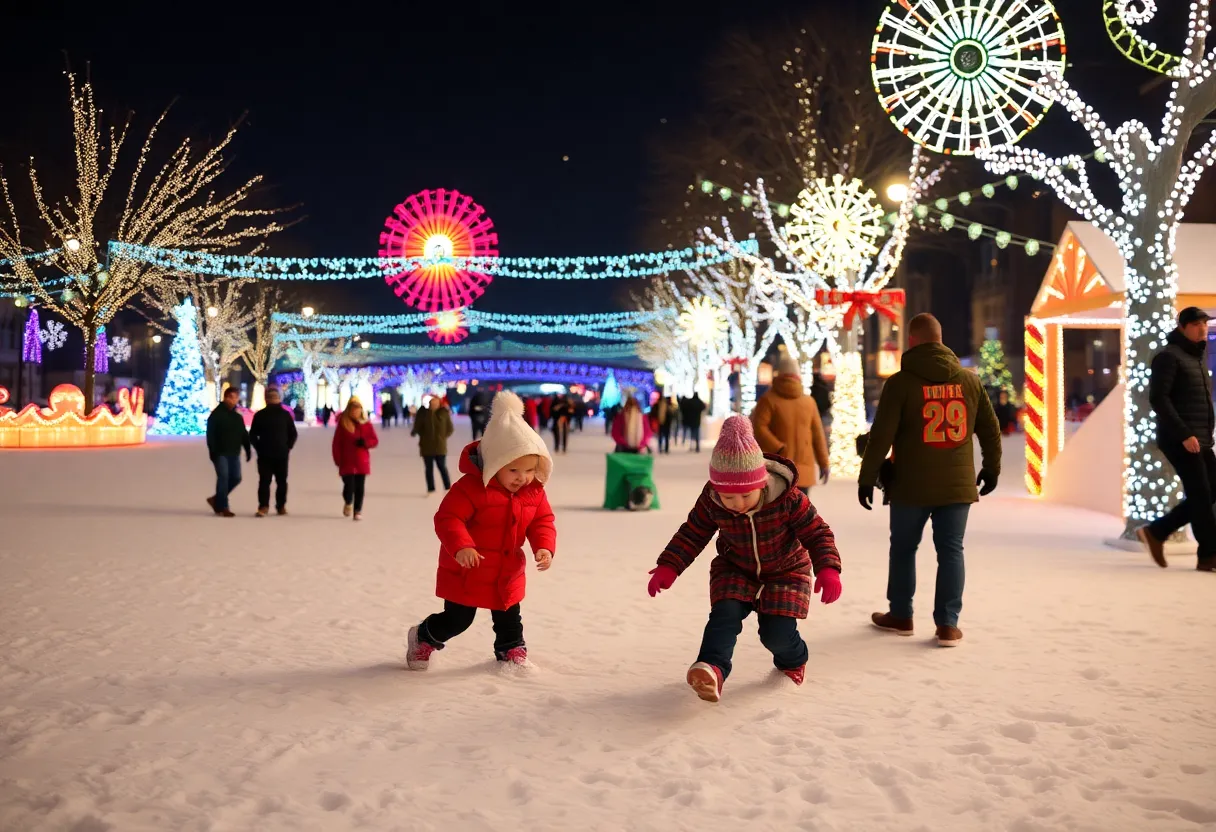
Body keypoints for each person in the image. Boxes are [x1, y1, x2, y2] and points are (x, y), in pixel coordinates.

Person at [646, 416, 842, 702]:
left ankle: (793, 660)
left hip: (786, 571)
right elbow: (693, 532)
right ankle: (712, 668)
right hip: (735, 568)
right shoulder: (711, 499)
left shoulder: (788, 500)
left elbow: (817, 532)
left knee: (775, 633)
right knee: (723, 617)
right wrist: (669, 565)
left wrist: (828, 568)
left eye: (745, 495)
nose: (736, 504)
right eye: (727, 498)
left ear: (761, 483)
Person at [858, 313, 1001, 647]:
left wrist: (867, 477)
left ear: (912, 340)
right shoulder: (969, 381)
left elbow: (881, 437)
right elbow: (991, 429)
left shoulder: (900, 384)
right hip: (957, 485)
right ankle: (948, 625)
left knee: (903, 549)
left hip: (910, 484)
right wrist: (991, 468)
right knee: (951, 550)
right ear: (941, 339)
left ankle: (901, 615)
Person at [406, 391, 557, 670]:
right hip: (468, 568)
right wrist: (462, 546)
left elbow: (542, 521)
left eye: (529, 470)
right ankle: (424, 636)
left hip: (507, 568)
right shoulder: (470, 489)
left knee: (509, 613)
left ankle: (511, 649)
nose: (522, 478)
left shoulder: (533, 492)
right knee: (458, 619)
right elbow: (449, 518)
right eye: (513, 470)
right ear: (495, 463)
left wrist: (544, 546)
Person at [1137, 307, 1216, 571]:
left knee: (1210, 491)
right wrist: (1184, 434)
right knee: (1201, 495)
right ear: (1182, 327)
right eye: (1195, 324)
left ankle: (1157, 532)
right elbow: (1159, 398)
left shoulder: (1195, 356)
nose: (1202, 328)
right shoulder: (1168, 357)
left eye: (1204, 324)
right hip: (1179, 438)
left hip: (1201, 438)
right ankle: (1209, 555)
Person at [751, 356, 830, 495]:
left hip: (776, 469)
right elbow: (818, 435)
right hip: (803, 471)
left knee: (777, 507)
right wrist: (824, 463)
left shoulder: (768, 400)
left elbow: (758, 427)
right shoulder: (809, 402)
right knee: (801, 507)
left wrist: (778, 447)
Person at [249, 385, 298, 517]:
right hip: (268, 454)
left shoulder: (284, 415)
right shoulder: (261, 415)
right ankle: (266, 506)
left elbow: (293, 434)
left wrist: (287, 447)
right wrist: (259, 447)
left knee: (278, 482)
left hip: (279, 454)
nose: (272, 399)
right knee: (268, 481)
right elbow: (253, 435)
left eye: (274, 397)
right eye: (270, 397)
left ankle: (278, 506)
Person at [205, 387, 251, 518]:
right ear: (225, 398)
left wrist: (247, 449)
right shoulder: (216, 415)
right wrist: (213, 451)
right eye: (231, 397)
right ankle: (224, 507)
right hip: (220, 452)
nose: (233, 400)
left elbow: (243, 434)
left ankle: (216, 499)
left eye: (236, 397)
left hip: (234, 452)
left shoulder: (237, 417)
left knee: (236, 478)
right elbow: (210, 434)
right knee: (223, 477)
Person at [332, 397, 379, 520]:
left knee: (359, 487)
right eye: (353, 410)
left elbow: (374, 440)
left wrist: (365, 443)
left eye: (358, 410)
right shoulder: (343, 424)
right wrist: (337, 459)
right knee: (349, 486)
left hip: (361, 461)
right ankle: (348, 502)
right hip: (346, 461)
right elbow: (337, 443)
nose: (355, 412)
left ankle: (357, 510)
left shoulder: (366, 424)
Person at [412, 395, 456, 495]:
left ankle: (447, 487)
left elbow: (450, 429)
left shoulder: (444, 414)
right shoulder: (423, 414)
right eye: (432, 403)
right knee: (429, 469)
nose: (433, 405)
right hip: (426, 446)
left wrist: (442, 437)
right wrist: (421, 435)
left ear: (439, 404)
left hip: (440, 446)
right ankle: (431, 489)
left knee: (442, 467)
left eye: (435, 403)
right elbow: (418, 427)